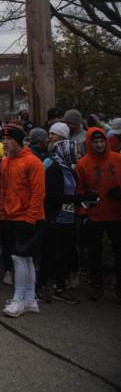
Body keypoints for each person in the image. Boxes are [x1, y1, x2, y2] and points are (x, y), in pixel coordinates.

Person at [0, 125, 45, 317]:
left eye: (9, 139)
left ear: (18, 140)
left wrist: (30, 217)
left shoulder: (33, 162)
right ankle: (29, 299)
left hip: (27, 217)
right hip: (10, 216)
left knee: (20, 257)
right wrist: (3, 212)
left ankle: (20, 298)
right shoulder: (5, 162)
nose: (5, 143)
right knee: (22, 258)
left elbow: (38, 192)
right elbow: (4, 189)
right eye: (4, 139)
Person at [75, 127, 121, 302]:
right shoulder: (83, 164)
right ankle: (96, 286)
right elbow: (79, 191)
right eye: (95, 142)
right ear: (89, 143)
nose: (99, 145)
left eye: (102, 141)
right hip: (95, 215)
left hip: (116, 215)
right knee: (94, 253)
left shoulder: (118, 159)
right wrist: (83, 211)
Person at [38, 138, 84, 305]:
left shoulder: (70, 170)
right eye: (75, 151)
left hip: (68, 219)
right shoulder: (54, 170)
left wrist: (82, 200)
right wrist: (77, 199)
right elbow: (52, 196)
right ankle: (42, 285)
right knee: (50, 253)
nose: (78, 154)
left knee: (65, 254)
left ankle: (60, 286)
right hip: (54, 218)